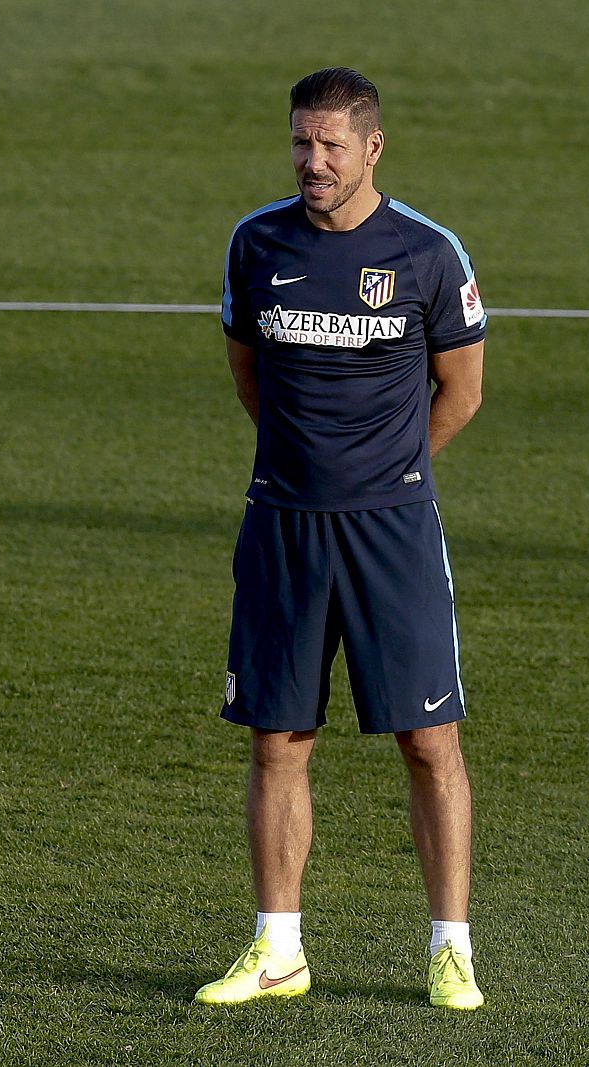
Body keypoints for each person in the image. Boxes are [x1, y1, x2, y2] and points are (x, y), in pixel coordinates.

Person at [194, 67, 487, 1011]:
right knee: (277, 740)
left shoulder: (429, 254)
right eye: (299, 144)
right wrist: (305, 468)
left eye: (329, 145)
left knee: (427, 740)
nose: (311, 162)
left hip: (391, 531)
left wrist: (383, 471)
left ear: (372, 148)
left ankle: (452, 949)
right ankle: (278, 949)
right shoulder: (256, 241)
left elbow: (463, 392)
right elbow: (249, 376)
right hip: (281, 524)